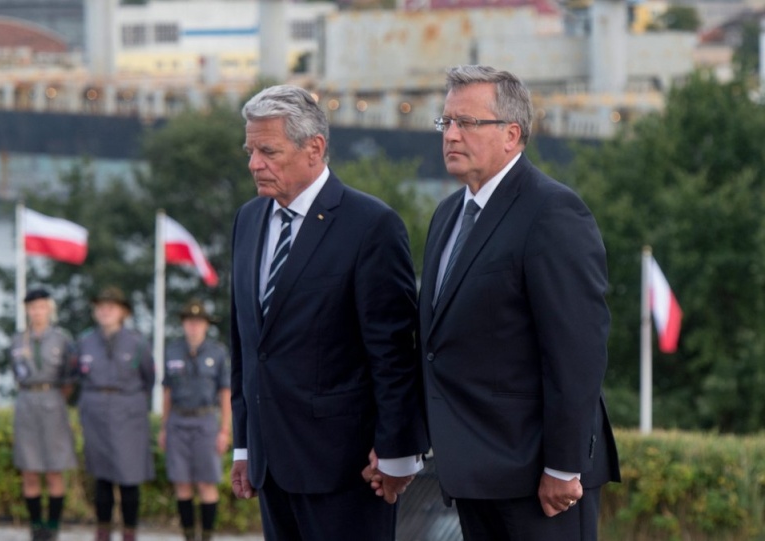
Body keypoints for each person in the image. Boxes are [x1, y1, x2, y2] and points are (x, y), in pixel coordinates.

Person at [418, 65, 621, 540]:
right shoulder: (448, 215)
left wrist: (563, 464)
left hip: (537, 480)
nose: (451, 134)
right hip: (473, 473)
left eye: (467, 122)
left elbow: (577, 352)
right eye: (445, 122)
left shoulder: (552, 212)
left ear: (512, 134)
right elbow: (435, 344)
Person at [229, 84, 429, 541]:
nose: (254, 164)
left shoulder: (371, 225)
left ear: (314, 148)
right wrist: (244, 445)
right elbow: (245, 343)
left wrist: (398, 450)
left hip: (348, 470)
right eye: (250, 150)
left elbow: (393, 352)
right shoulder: (249, 219)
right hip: (270, 468)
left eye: (268, 150)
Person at [76, 287, 154, 541]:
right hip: (96, 412)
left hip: (128, 413)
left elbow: (148, 379)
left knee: (129, 477)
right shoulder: (85, 341)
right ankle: (103, 532)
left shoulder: (138, 342)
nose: (105, 310)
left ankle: (129, 533)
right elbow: (76, 376)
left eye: (112, 306)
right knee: (102, 477)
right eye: (101, 305)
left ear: (123, 312)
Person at [159, 300, 231, 541]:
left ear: (206, 325)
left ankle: (207, 536)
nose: (194, 326)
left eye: (199, 322)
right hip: (178, 421)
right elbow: (167, 391)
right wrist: (164, 427)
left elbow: (225, 393)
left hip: (205, 422)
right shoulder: (172, 350)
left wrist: (225, 430)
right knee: (182, 483)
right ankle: (188, 536)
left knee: (206, 483)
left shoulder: (217, 352)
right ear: (183, 324)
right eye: (189, 321)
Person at [10, 288, 78, 541]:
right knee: (29, 468)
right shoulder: (18, 340)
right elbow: (15, 372)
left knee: (54, 468)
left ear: (49, 309)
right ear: (27, 310)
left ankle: (52, 527)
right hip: (27, 401)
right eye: (32, 308)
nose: (37, 312)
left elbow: (70, 378)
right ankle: (36, 527)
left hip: (53, 400)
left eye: (41, 307)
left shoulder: (61, 339)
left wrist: (56, 398)